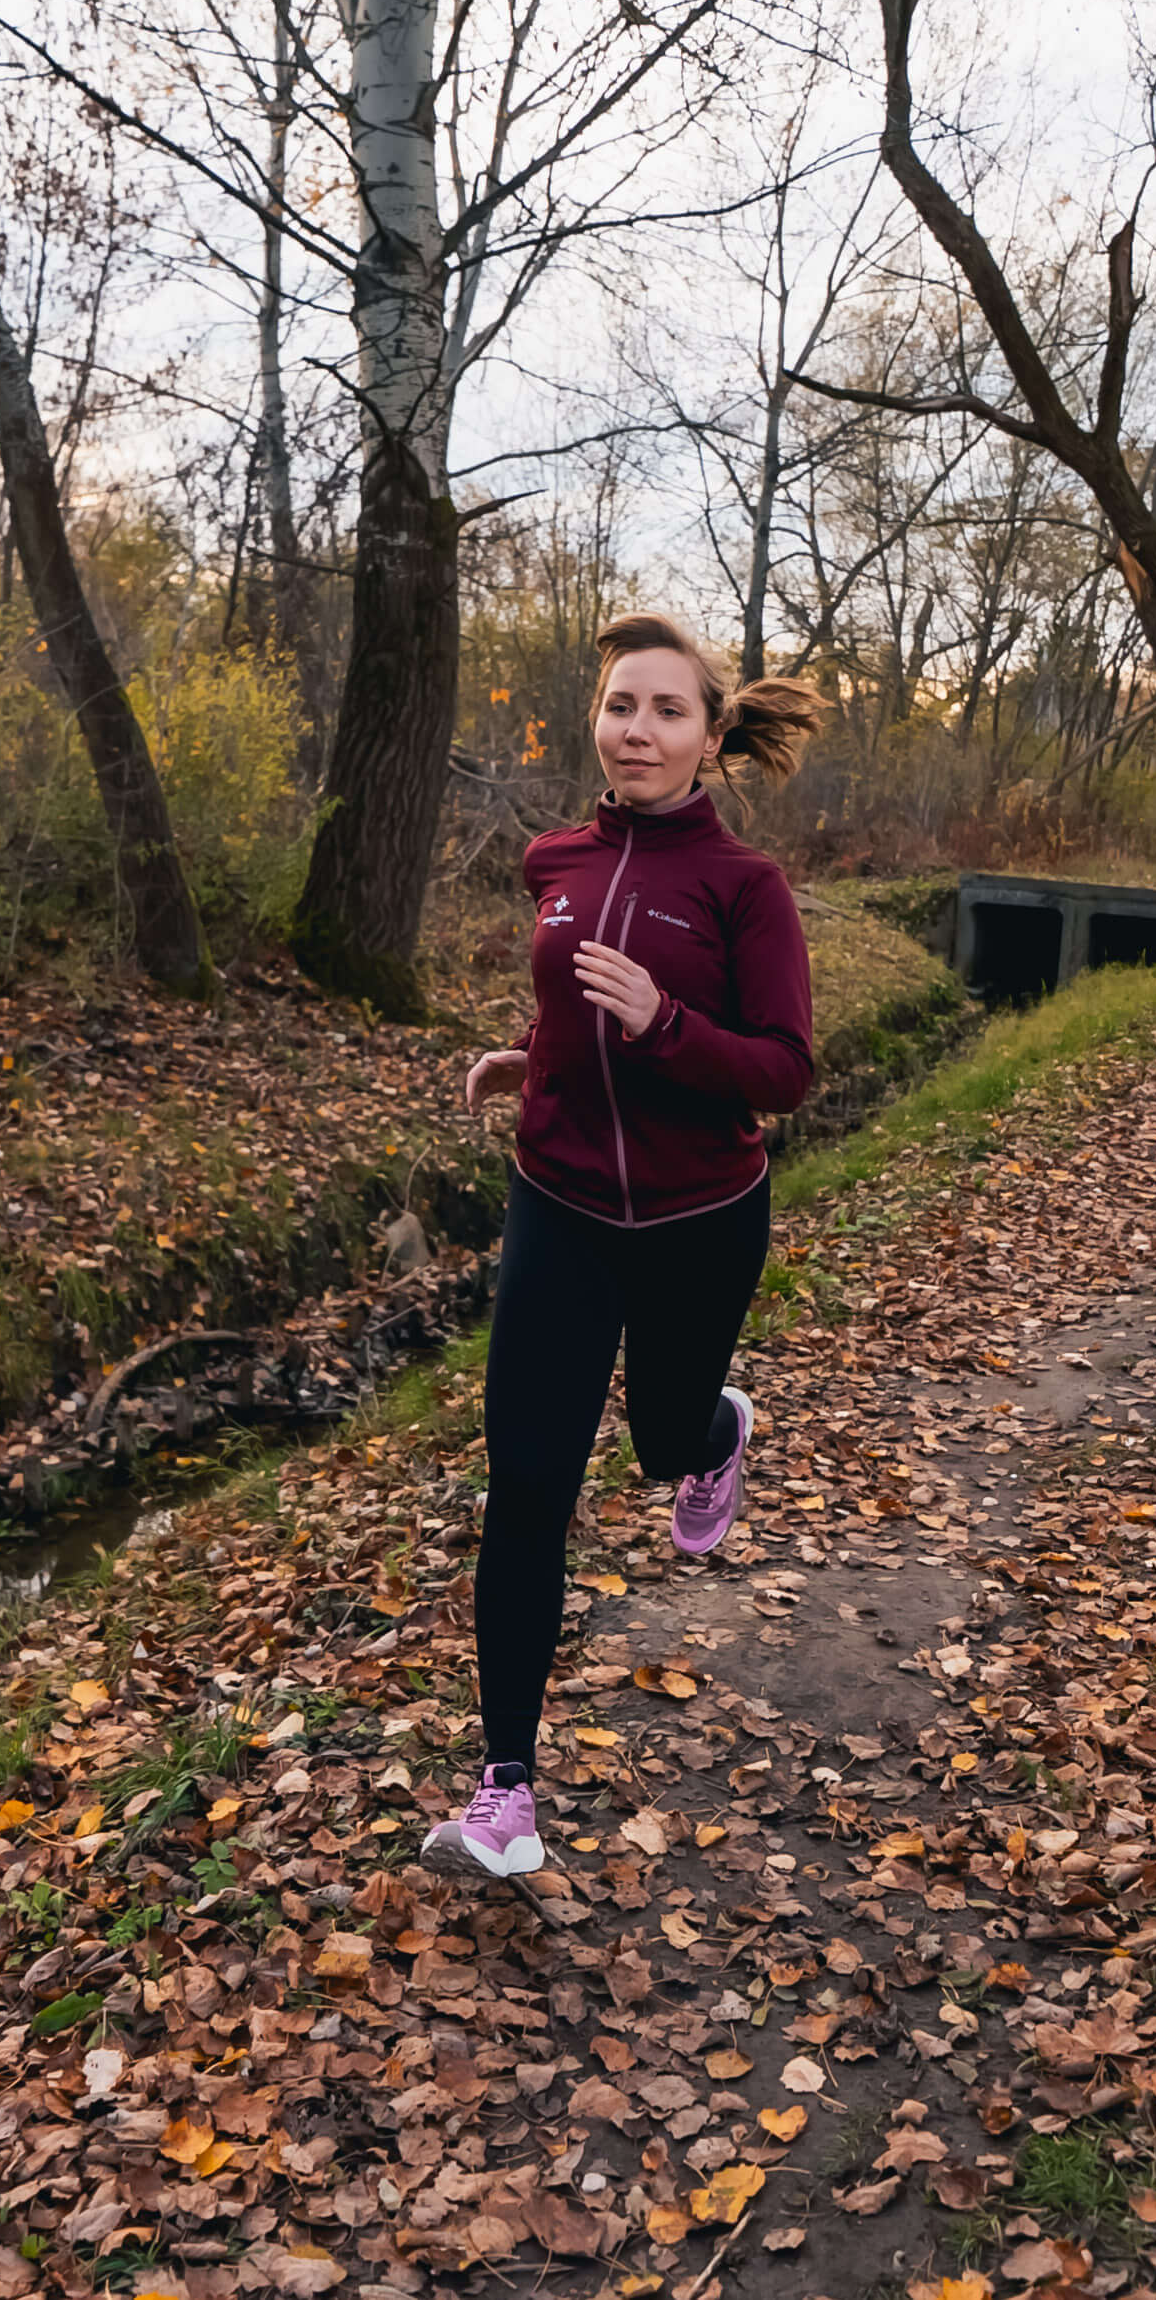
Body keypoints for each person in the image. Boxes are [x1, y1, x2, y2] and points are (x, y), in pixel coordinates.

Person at [422, 610, 825, 1881]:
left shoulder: (745, 888)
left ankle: (713, 1433)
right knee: (526, 1489)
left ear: (707, 737)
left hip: (700, 1217)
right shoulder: (552, 859)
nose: (635, 729)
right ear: (594, 720)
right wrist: (527, 1056)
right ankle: (504, 1795)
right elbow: (566, 1005)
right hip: (559, 1206)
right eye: (617, 705)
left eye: (664, 710)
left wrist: (662, 1025)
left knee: (655, 1441)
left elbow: (785, 1069)